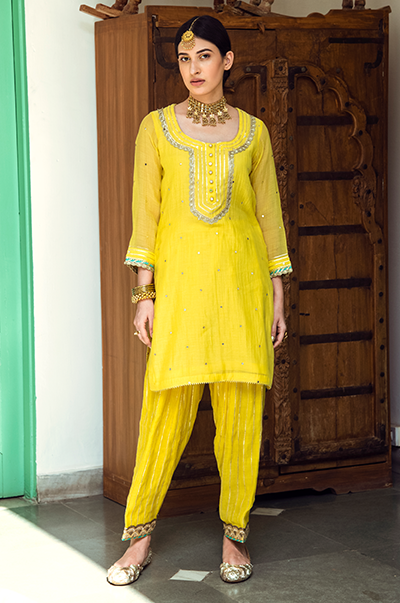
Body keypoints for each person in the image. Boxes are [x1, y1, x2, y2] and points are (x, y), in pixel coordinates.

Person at [107, 14, 292, 587]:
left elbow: (269, 217)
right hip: (180, 291)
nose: (193, 69)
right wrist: (144, 295)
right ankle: (138, 538)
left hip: (242, 289)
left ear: (227, 62)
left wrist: (278, 293)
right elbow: (146, 215)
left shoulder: (254, 133)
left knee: (240, 414)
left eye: (205, 56)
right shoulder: (156, 128)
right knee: (163, 410)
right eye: (185, 59)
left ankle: (234, 536)